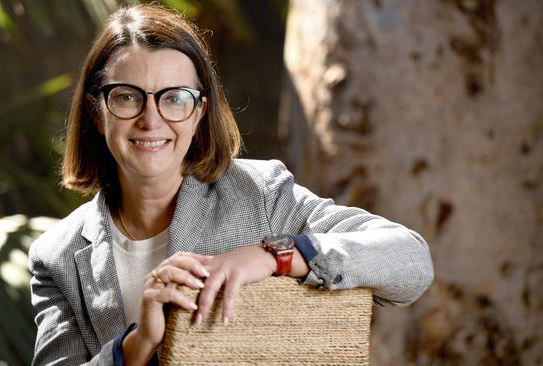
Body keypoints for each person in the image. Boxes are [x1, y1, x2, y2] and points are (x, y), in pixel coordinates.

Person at [28, 4, 434, 365]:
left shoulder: (261, 194)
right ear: (98, 113)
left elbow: (410, 261)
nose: (151, 120)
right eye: (128, 97)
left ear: (200, 112)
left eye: (175, 98)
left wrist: (277, 256)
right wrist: (137, 344)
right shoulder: (57, 256)